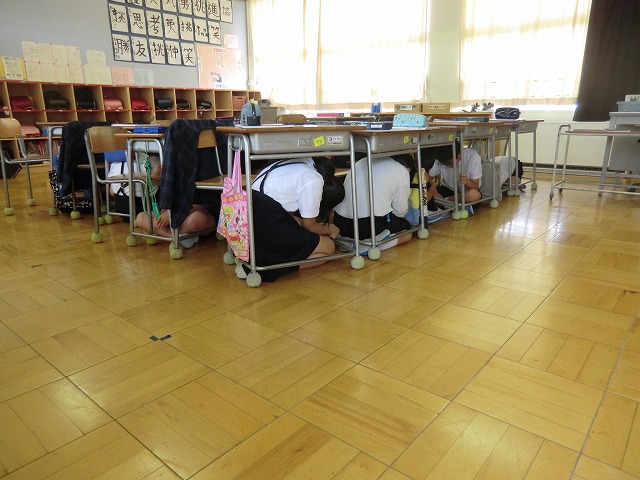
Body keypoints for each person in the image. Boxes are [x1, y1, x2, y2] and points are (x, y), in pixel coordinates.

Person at [245, 156, 344, 282]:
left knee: (302, 227)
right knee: (329, 247)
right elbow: (309, 226)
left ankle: (261, 260)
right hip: (268, 225)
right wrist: (330, 230)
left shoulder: (295, 163)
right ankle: (274, 268)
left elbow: (295, 219)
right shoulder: (314, 180)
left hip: (249, 224)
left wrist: (319, 229)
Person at [332, 154, 415, 251]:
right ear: (408, 169)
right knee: (406, 231)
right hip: (367, 225)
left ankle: (349, 242)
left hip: (339, 222)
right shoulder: (402, 170)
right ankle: (370, 246)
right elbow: (401, 211)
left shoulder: (362, 161)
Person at [425, 140, 482, 215]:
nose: (449, 166)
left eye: (450, 163)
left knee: (474, 195)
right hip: (447, 189)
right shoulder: (440, 159)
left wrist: (467, 182)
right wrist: (429, 185)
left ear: (459, 154)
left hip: (465, 192)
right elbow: (429, 177)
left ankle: (446, 205)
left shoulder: (472, 157)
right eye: (445, 164)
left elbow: (475, 185)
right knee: (425, 192)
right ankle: (452, 206)